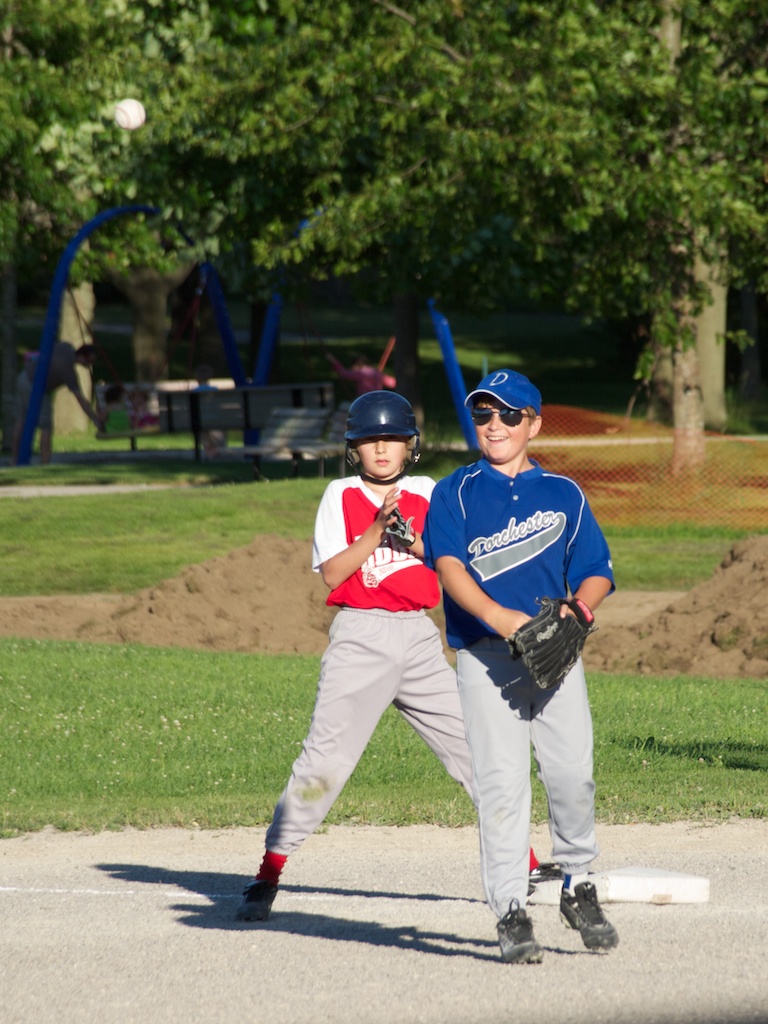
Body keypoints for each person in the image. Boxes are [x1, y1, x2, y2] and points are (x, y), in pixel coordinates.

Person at [236, 391, 539, 923]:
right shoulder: (341, 494)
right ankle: (269, 870)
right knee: (325, 760)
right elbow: (332, 574)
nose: (382, 449)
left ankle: (529, 862)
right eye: (371, 440)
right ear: (355, 448)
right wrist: (378, 529)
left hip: (421, 639)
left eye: (393, 440)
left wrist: (414, 539)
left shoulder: (429, 491)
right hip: (361, 636)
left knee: (477, 747)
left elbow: (455, 556)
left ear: (410, 447)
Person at [423, 369, 619, 965]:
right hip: (486, 661)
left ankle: (578, 883)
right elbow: (450, 570)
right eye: (484, 414)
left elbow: (597, 570)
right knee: (502, 789)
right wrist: (503, 619)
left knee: (572, 776)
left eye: (510, 415)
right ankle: (509, 908)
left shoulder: (564, 494)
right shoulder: (455, 491)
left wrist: (579, 612)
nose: (495, 425)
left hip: (556, 660)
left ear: (534, 423)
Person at [11, 342, 104, 464]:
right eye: (88, 361)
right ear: (82, 356)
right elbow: (81, 400)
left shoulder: (66, 347)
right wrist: (95, 419)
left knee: (21, 419)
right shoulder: (68, 371)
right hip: (36, 388)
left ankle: (14, 460)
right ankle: (44, 462)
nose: (89, 365)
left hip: (24, 377)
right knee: (46, 426)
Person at [324, 348, 396, 396]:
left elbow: (344, 373)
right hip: (377, 399)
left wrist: (333, 361)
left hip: (364, 400)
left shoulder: (360, 373)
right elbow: (392, 383)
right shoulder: (376, 372)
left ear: (355, 365)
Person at [191, 363, 227, 457]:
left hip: (199, 421)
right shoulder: (214, 390)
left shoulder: (194, 392)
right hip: (214, 420)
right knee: (218, 436)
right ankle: (218, 452)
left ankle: (210, 452)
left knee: (202, 432)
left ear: (197, 379)